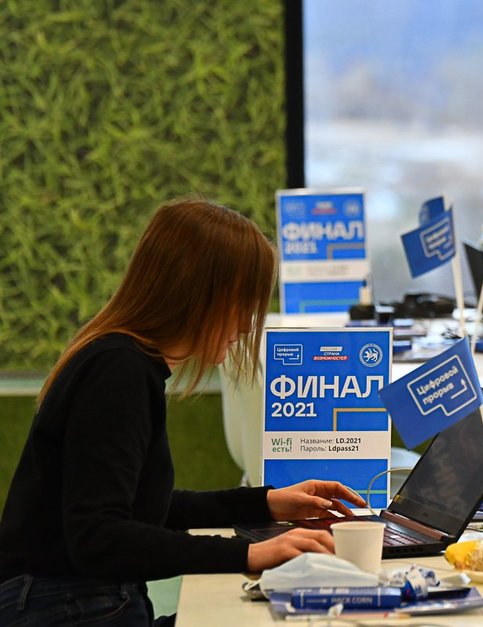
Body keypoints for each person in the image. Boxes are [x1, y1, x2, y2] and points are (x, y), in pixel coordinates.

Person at [0, 197, 367, 626]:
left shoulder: (121, 361)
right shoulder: (118, 372)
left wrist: (265, 503)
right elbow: (99, 537)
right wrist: (249, 553)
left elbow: (141, 509)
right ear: (199, 294)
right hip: (66, 606)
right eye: (243, 303)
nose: (247, 325)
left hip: (73, 600)